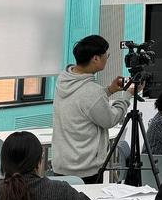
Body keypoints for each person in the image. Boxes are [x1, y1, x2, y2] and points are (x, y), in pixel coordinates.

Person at [52, 35, 131, 183]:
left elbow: (83, 103)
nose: (107, 58)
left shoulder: (63, 79)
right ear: (95, 58)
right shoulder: (92, 91)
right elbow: (110, 119)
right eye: (106, 55)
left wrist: (108, 90)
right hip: (85, 168)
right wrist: (127, 96)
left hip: (61, 165)